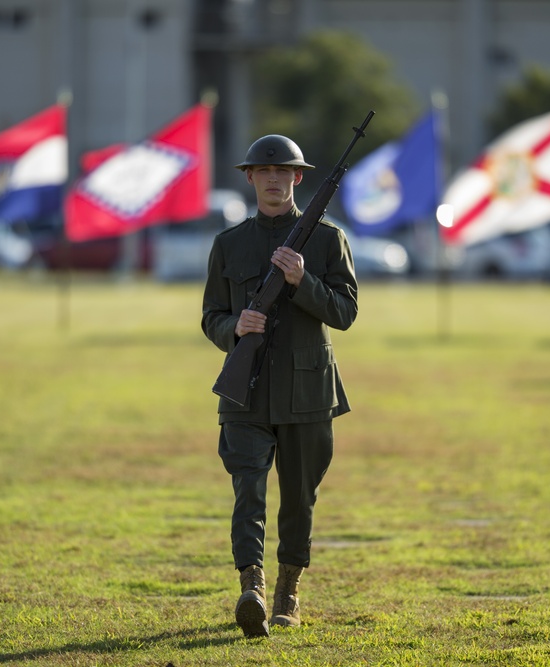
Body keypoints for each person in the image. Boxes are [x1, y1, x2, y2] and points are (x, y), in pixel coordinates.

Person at [201, 134, 358, 638]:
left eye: (283, 172)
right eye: (264, 172)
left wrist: (302, 281)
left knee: (299, 497)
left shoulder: (328, 240)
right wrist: (234, 330)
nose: (273, 180)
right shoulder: (228, 244)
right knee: (248, 489)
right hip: (245, 391)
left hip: (308, 393)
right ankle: (253, 587)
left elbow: (345, 312)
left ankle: (289, 590)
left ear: (298, 178)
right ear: (249, 178)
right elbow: (211, 316)